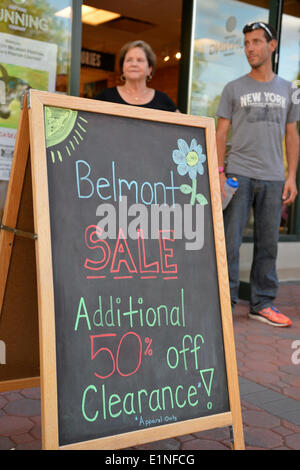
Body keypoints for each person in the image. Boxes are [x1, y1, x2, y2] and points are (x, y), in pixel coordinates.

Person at [216, 22, 299, 327]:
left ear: (272, 46)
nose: (250, 48)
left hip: (274, 176)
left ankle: (261, 303)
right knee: (230, 243)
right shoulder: (233, 88)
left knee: (268, 244)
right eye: (246, 43)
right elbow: (220, 132)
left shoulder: (289, 89)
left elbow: (292, 134)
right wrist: (219, 172)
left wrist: (291, 177)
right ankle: (225, 302)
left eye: (255, 42)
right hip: (239, 174)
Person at [95, 40, 178, 112]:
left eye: (140, 60)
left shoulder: (162, 100)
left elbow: (181, 128)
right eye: (129, 60)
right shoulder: (106, 96)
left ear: (149, 69)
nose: (134, 64)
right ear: (122, 67)